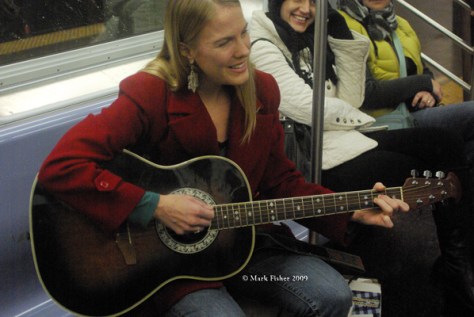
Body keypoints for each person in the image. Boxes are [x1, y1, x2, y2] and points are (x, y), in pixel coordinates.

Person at [37, 1, 410, 316]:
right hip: (170, 270)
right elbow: (62, 167)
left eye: (244, 33)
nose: (243, 50)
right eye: (224, 42)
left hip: (246, 257)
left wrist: (351, 211)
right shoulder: (151, 93)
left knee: (331, 293)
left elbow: (279, 181)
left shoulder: (261, 90)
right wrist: (155, 205)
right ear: (187, 51)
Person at [249, 0, 474, 315]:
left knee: (444, 142)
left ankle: (456, 264)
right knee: (402, 168)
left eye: (314, 2)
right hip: (313, 155)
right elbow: (305, 107)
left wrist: (340, 34)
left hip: (346, 137)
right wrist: (359, 118)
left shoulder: (318, 35)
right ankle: (391, 284)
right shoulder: (261, 42)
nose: (305, 8)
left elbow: (352, 96)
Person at [337, 0, 474, 196]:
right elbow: (367, 93)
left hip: (416, 111)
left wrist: (428, 92)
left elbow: (423, 71)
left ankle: (462, 205)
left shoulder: (401, 24)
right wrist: (423, 83)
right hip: (382, 121)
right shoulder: (345, 26)